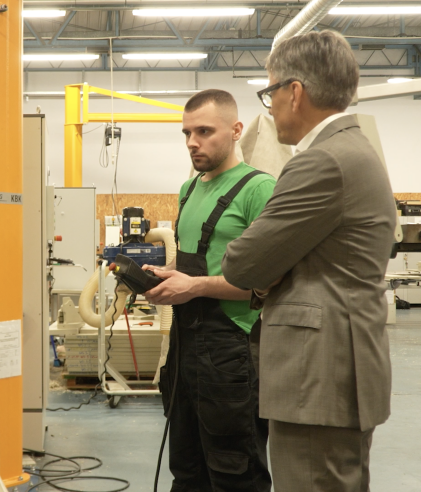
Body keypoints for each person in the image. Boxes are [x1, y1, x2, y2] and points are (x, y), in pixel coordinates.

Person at [221, 30, 397, 492]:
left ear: (294, 92)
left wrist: (269, 273)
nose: (270, 106)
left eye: (270, 93)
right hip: (338, 369)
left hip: (316, 377)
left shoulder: (321, 162)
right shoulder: (355, 150)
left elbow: (242, 264)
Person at [144, 89, 275, 492]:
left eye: (204, 131)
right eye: (186, 133)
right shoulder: (189, 189)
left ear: (236, 130)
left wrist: (194, 286)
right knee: (186, 471)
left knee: (236, 474)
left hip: (230, 352)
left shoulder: (259, 189)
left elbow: (266, 284)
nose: (192, 142)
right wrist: (165, 275)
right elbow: (198, 261)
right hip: (184, 348)